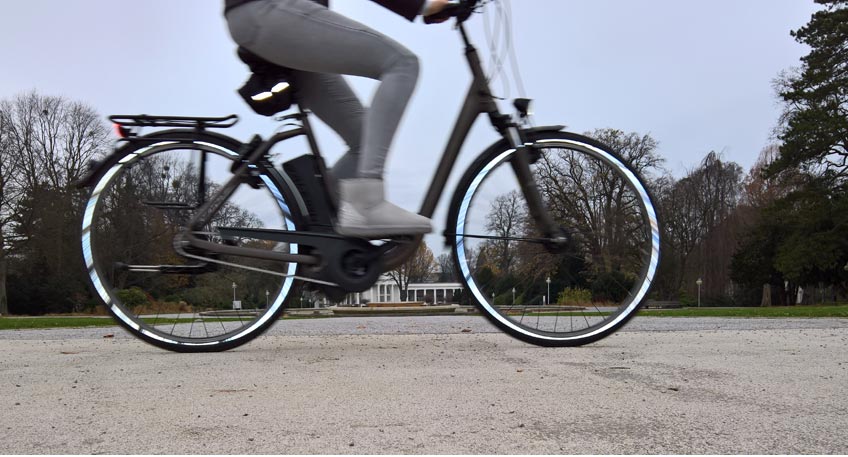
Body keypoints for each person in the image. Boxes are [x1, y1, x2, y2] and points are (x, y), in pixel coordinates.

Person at [224, 0, 451, 237]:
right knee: (402, 63)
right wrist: (422, 5)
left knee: (365, 140)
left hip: (268, 18)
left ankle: (310, 231)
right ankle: (368, 202)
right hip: (267, 9)